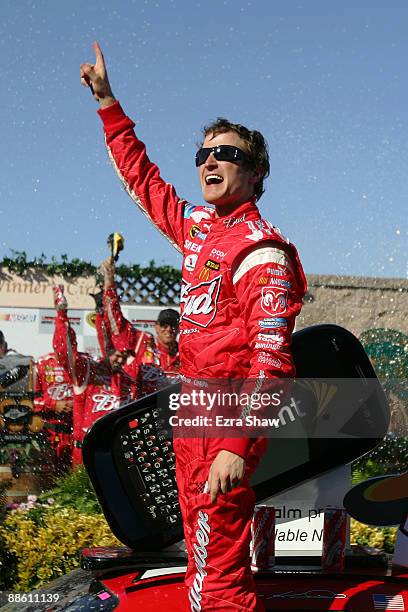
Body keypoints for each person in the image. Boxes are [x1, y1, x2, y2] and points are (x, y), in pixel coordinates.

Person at [81, 42, 307, 611]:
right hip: (194, 409)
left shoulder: (264, 253)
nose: (209, 161)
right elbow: (144, 180)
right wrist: (109, 103)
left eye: (226, 153)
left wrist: (236, 443)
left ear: (256, 173)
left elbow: (272, 362)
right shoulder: (200, 230)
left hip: (231, 414)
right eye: (202, 153)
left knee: (217, 575)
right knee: (204, 556)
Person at [52, 285, 137, 466]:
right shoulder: (87, 370)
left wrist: (101, 311)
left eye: (125, 356)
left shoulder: (128, 380)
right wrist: (61, 315)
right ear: (107, 350)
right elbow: (64, 351)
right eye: (117, 355)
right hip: (85, 453)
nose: (121, 360)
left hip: (116, 453)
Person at [96, 256, 167, 395]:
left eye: (172, 326)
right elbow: (113, 312)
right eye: (164, 325)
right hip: (124, 404)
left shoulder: (167, 352)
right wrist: (109, 280)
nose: (169, 330)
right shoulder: (126, 337)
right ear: (157, 326)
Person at [33, 352, 74, 470]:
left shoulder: (82, 364)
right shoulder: (41, 364)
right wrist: (54, 405)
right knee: (50, 477)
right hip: (50, 432)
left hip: (76, 433)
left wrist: (77, 404)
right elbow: (31, 401)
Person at [154, 308, 180, 377]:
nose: (169, 329)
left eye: (173, 325)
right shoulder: (145, 351)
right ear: (156, 327)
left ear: (179, 328)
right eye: (164, 325)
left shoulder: (185, 355)